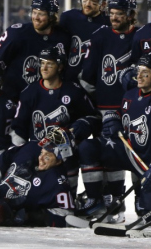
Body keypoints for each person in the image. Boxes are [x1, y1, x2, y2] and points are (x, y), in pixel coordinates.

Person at [77, 53, 151, 222]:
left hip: (150, 163)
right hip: (127, 151)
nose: (138, 76)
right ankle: (95, 200)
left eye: (145, 73)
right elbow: (121, 113)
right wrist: (113, 117)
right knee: (89, 147)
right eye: (138, 71)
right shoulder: (130, 95)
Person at [10, 46, 101, 199]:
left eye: (50, 64)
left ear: (60, 67)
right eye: (42, 63)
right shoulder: (29, 92)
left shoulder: (73, 91)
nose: (44, 68)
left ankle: (72, 198)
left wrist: (79, 127)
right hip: (37, 149)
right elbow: (18, 128)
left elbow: (93, 117)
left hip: (64, 149)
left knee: (71, 150)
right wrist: (23, 153)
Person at [78, 0, 138, 222]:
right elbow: (89, 74)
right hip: (104, 108)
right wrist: (95, 102)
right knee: (103, 151)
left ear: (130, 15)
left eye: (119, 14)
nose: (113, 18)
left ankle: (118, 204)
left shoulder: (140, 37)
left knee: (119, 155)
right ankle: (100, 203)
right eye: (111, 13)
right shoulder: (101, 35)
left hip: (131, 109)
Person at [0, 128, 75, 227]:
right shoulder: (29, 149)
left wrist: (23, 216)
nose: (41, 158)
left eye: (47, 157)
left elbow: (65, 217)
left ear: (59, 160)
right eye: (42, 153)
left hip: (5, 230)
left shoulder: (58, 183)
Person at [0, 0, 71, 101]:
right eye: (34, 12)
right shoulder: (17, 34)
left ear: (51, 16)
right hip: (13, 99)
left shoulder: (63, 38)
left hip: (45, 101)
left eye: (41, 14)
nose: (36, 18)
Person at [59, 0, 110, 84]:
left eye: (93, 1)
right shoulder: (69, 17)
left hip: (96, 80)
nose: (87, 4)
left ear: (103, 3)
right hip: (68, 78)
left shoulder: (109, 23)